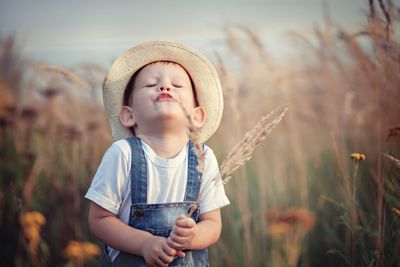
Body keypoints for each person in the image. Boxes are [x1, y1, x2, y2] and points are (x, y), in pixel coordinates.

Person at [85, 41, 230, 267]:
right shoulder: (123, 154)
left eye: (177, 85)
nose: (164, 87)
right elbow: (99, 221)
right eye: (151, 84)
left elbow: (213, 224)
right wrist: (144, 244)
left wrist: (194, 235)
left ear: (197, 116)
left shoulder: (204, 158)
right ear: (128, 115)